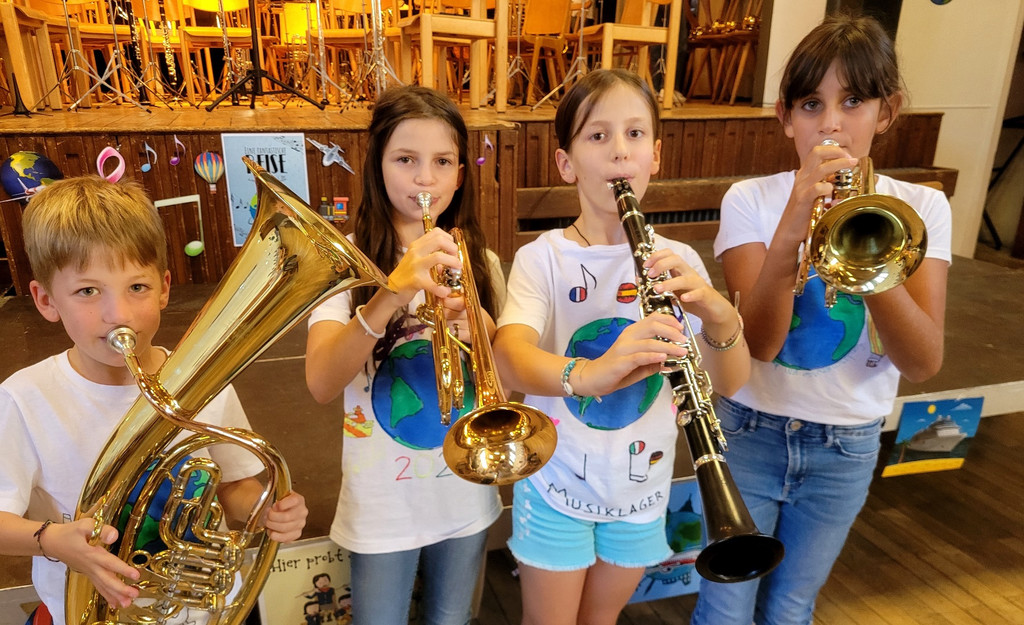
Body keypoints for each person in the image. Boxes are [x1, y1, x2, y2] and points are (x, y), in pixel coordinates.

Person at [690, 14, 951, 625]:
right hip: (750, 429)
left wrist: (862, 242)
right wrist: (795, 224)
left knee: (791, 607)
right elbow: (758, 343)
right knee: (725, 607)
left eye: (853, 101)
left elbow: (922, 362)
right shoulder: (750, 199)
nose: (831, 122)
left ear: (887, 111)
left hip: (848, 442)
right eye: (812, 104)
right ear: (785, 116)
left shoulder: (922, 208)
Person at [492, 68, 751, 625]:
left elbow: (730, 382)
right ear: (566, 163)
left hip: (641, 492)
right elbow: (508, 358)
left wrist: (715, 309)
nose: (619, 153)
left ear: (655, 155)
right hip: (557, 483)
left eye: (635, 135)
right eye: (597, 135)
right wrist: (591, 374)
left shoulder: (679, 260)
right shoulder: (546, 258)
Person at [0, 175, 309, 625]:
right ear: (46, 300)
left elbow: (231, 486)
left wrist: (264, 510)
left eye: (137, 287)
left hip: (203, 612)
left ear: (164, 287)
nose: (118, 314)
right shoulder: (25, 399)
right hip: (91, 613)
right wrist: (51, 540)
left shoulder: (203, 381)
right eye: (88, 291)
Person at [304, 85, 505, 625]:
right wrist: (390, 292)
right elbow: (322, 382)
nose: (425, 178)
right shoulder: (341, 263)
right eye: (406, 160)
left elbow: (511, 396)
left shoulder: (479, 260)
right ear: (377, 166)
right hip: (381, 507)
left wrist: (480, 327)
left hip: (465, 497)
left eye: (442, 162)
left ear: (460, 175)